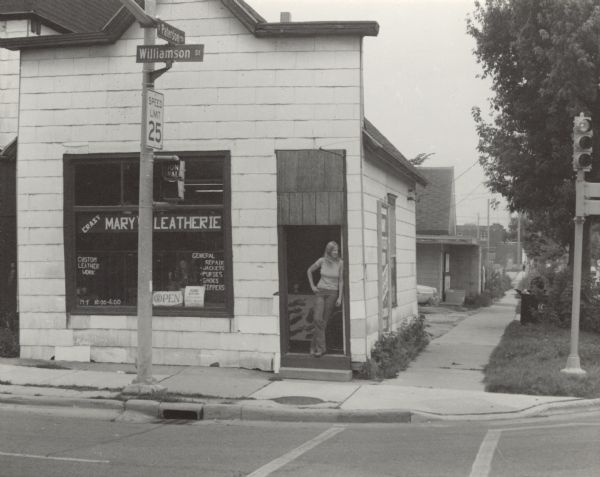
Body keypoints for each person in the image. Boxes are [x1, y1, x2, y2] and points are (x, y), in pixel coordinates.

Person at [306, 241, 343, 357]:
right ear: (328, 251)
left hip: (333, 293)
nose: (336, 252)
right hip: (320, 292)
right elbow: (309, 271)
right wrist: (312, 286)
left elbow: (341, 281)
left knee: (324, 322)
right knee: (317, 319)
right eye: (333, 250)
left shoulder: (340, 263)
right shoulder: (321, 261)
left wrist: (340, 297)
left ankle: (314, 346)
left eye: (337, 250)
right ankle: (322, 348)